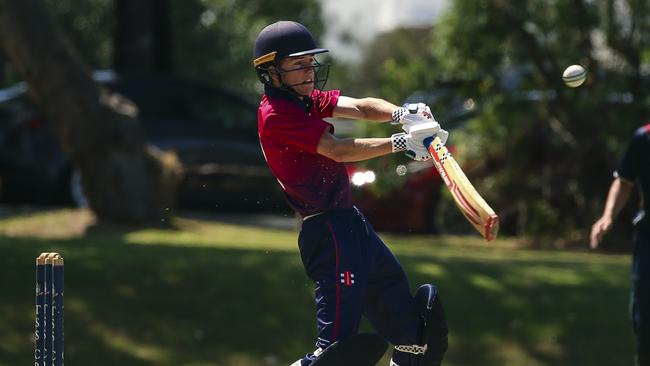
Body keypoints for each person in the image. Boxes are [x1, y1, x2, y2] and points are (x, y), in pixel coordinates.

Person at [253, 21, 449, 366]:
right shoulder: (276, 115)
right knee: (337, 352)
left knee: (414, 337)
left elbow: (358, 107)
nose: (309, 71)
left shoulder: (306, 100)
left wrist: (403, 114)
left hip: (351, 223)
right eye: (298, 64)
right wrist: (401, 142)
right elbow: (337, 149)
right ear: (271, 72)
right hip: (327, 232)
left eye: (309, 62)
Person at [590, 123, 650, 366]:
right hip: (648, 240)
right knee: (645, 324)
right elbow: (624, 181)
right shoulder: (644, 138)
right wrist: (608, 216)